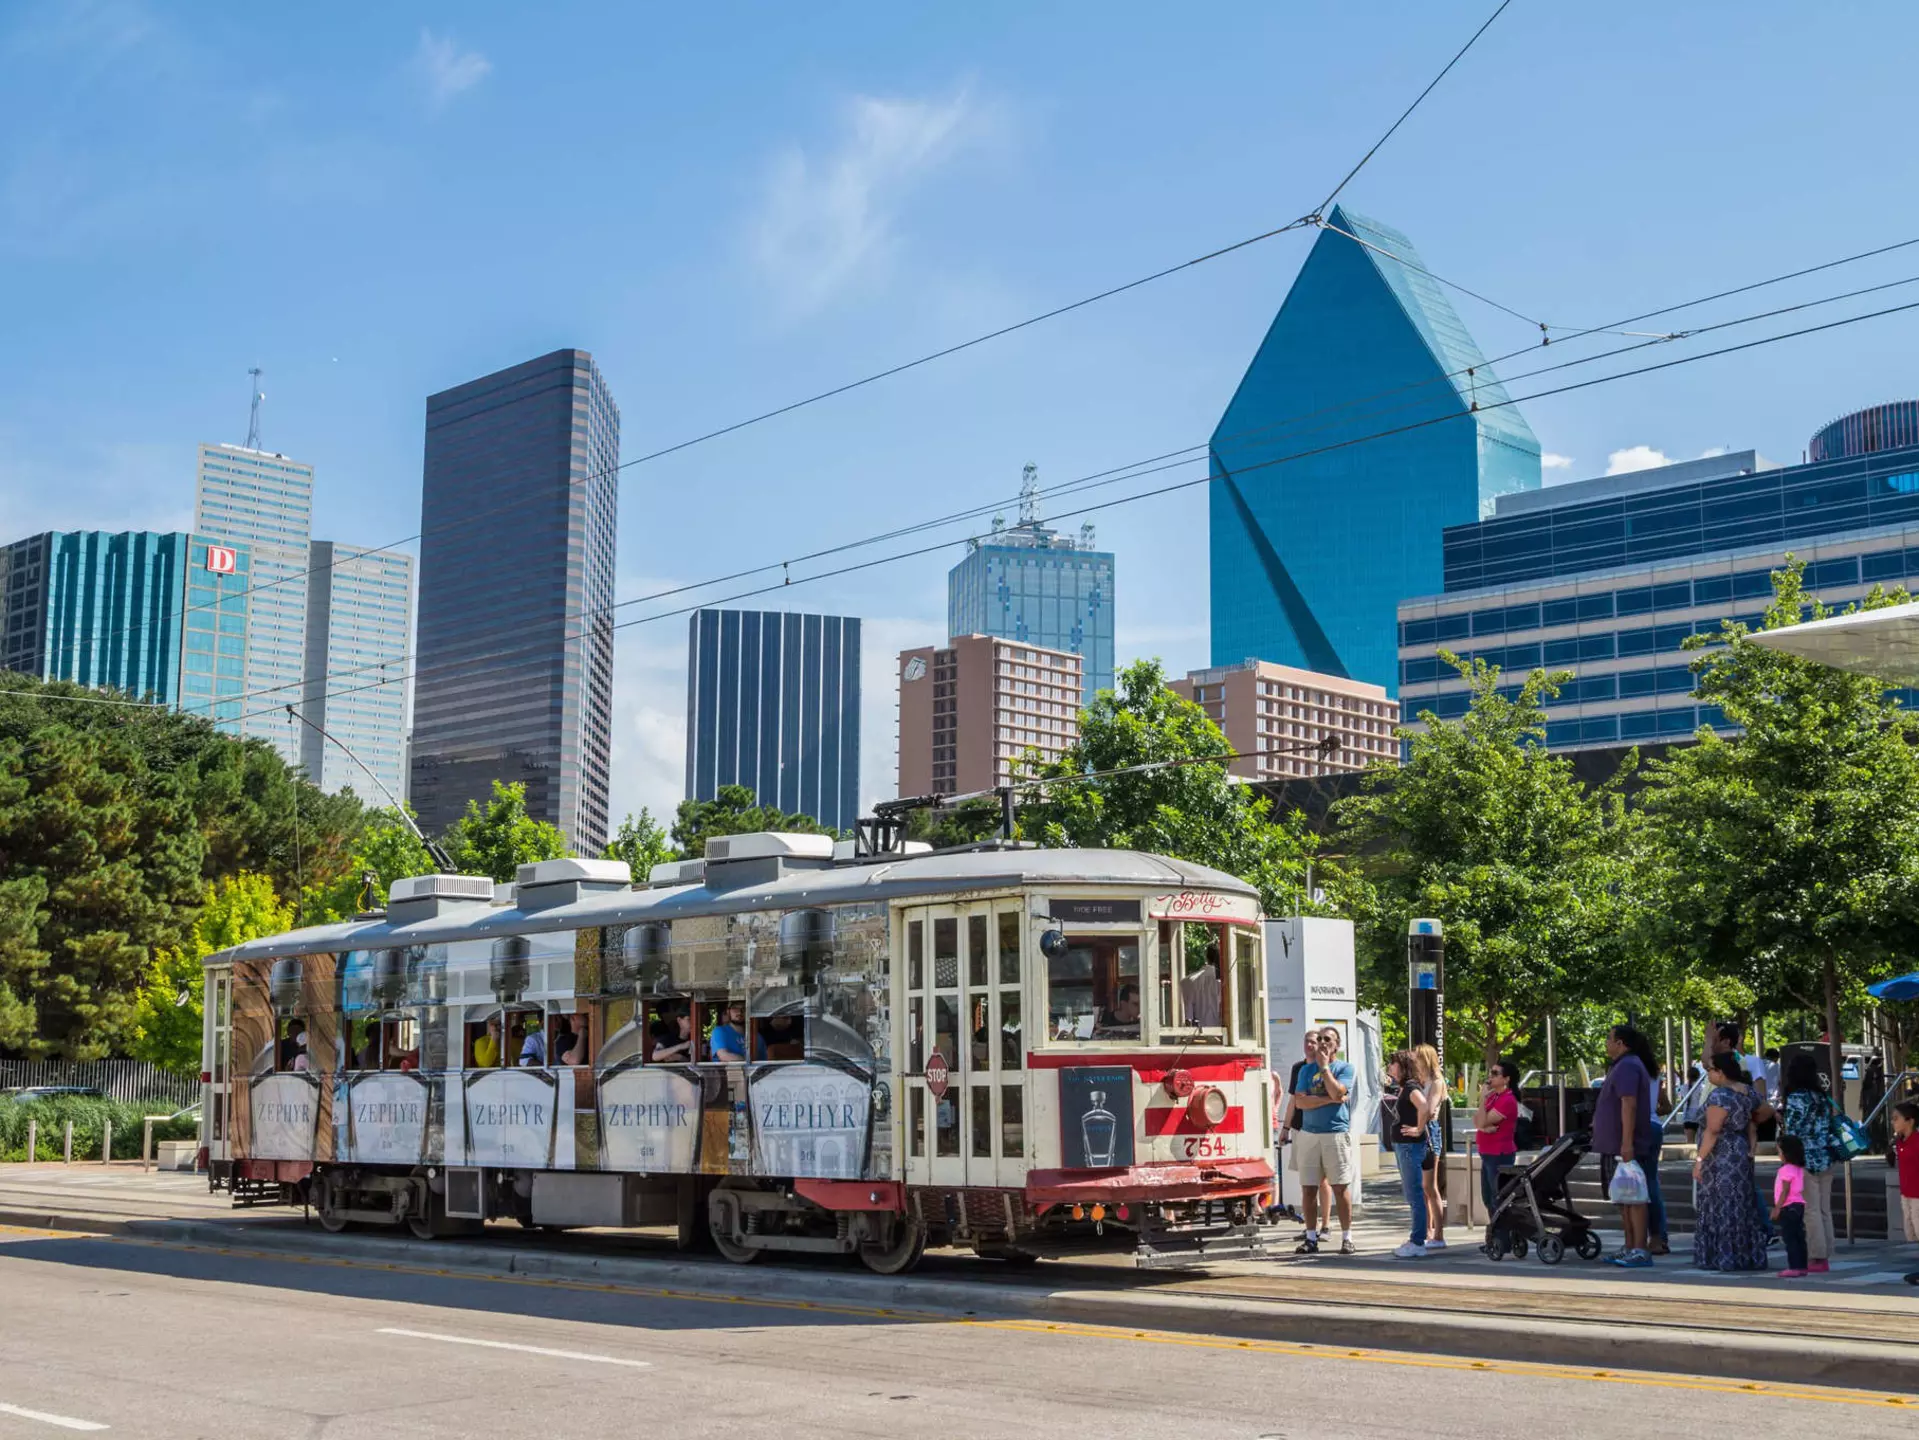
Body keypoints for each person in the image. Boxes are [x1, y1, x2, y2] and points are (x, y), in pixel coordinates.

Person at [1691, 1051, 1770, 1272]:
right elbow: (1767, 1110)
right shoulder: (1746, 1092)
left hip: (1720, 1156)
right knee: (1741, 1202)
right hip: (1740, 1153)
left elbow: (1713, 1130)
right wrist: (1748, 1124)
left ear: (1721, 1072)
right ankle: (1745, 1255)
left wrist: (1699, 1160)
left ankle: (1721, 1255)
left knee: (1720, 1202)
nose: (1708, 1074)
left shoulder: (1719, 1096)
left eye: (1711, 1070)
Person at [1595, 1024, 1659, 1267]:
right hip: (1613, 1145)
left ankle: (1639, 1247)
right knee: (1623, 1198)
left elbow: (1629, 1104)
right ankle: (1630, 1245)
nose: (1607, 1043)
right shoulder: (1623, 1066)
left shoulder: (1629, 1066)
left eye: (1609, 1039)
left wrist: (1627, 1142)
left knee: (1634, 1197)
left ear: (1621, 1043)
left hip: (1625, 1146)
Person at [1290, 1027, 1356, 1255]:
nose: (1322, 1043)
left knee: (1340, 1186)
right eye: (1319, 1039)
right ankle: (1310, 1237)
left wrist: (1326, 1068)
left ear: (1336, 1045)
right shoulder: (1305, 1071)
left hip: (1335, 1133)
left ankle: (1347, 1237)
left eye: (1327, 1039)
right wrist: (1329, 1099)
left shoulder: (1344, 1068)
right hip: (1309, 1134)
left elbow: (1340, 1092)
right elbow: (1300, 1103)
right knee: (1308, 1188)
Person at [1778, 1051, 1839, 1275]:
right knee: (1824, 1209)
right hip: (1826, 1156)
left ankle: (1817, 1255)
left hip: (1806, 1159)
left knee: (1810, 1210)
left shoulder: (1797, 1098)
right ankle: (1826, 1251)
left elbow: (1793, 1130)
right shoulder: (1822, 1097)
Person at [1275, 1035, 1331, 1227]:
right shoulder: (1298, 1068)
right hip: (1300, 1128)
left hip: (1321, 1129)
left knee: (1322, 1180)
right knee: (1307, 1181)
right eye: (1306, 1041)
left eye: (1313, 1042)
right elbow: (1294, 1100)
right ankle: (1310, 1227)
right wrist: (1286, 1128)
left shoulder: (1326, 1068)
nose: (1309, 1045)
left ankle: (1325, 1225)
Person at [1386, 1050, 1432, 1259]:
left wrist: (1419, 1128)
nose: (1389, 1067)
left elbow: (1425, 1107)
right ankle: (1417, 1237)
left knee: (1414, 1194)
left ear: (1403, 1066)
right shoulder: (1406, 1087)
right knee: (1414, 1193)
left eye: (1393, 1064)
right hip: (1406, 1145)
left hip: (1409, 1146)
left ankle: (1417, 1241)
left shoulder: (1412, 1087)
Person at [1409, 1044, 1448, 1249]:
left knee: (1430, 1186)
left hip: (1429, 1131)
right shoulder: (1420, 1081)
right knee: (1423, 1187)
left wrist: (1419, 1120)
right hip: (1421, 1128)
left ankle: (1439, 1233)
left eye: (1417, 1058)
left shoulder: (1436, 1082)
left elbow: (1430, 1109)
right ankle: (1428, 1229)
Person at [1475, 1059, 1522, 1220]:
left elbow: (1481, 1120)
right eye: (1490, 1072)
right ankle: (1495, 1234)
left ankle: (1502, 1236)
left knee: (1497, 1197)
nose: (1490, 1077)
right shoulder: (1493, 1097)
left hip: (1498, 1153)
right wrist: (1482, 1127)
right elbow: (1477, 1121)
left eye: (1495, 1074)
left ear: (1506, 1079)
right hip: (1487, 1152)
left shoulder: (1507, 1100)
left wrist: (1482, 1101)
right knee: (1488, 1197)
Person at [1888, 1100, 1919, 1286]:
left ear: (1910, 1120)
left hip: (1918, 1194)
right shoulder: (1900, 1141)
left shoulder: (1917, 1141)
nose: (1893, 1122)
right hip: (1906, 1192)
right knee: (1912, 1231)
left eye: (1896, 1118)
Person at [1772, 1134, 1810, 1278]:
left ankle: (1794, 1266)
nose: (1779, 1155)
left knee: (1790, 1238)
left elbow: (1785, 1190)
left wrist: (1777, 1208)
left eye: (1780, 1152)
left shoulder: (1785, 1170)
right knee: (1799, 1237)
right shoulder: (1799, 1169)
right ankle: (1802, 1266)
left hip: (1788, 1207)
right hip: (1799, 1205)